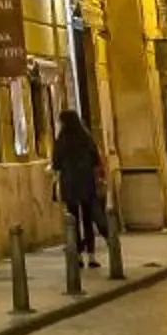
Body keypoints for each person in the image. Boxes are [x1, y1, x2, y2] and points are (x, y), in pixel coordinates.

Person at [53, 107, 104, 268]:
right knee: (88, 219)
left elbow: (56, 163)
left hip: (70, 184)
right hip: (86, 182)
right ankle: (92, 256)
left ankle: (78, 256)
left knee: (72, 221)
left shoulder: (62, 140)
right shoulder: (86, 137)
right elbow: (96, 159)